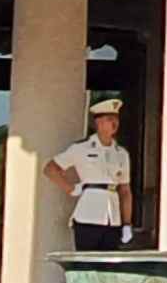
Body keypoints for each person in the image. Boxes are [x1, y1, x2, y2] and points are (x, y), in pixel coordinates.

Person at [57, 96, 134, 253]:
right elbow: (51, 169)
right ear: (99, 123)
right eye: (109, 119)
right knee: (86, 267)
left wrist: (127, 224)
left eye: (116, 119)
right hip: (88, 215)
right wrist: (70, 188)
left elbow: (125, 191)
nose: (115, 123)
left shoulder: (121, 153)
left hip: (112, 218)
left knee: (108, 269)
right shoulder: (82, 148)